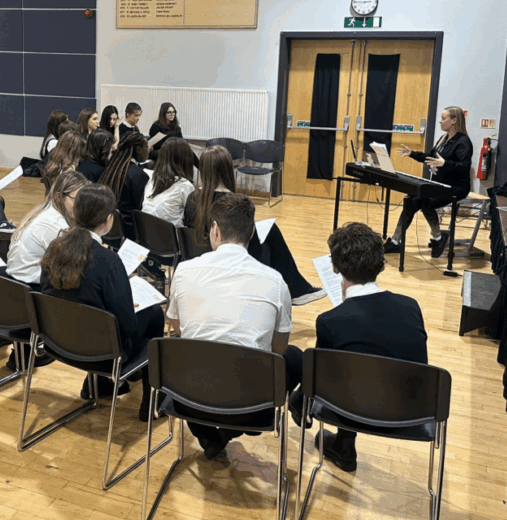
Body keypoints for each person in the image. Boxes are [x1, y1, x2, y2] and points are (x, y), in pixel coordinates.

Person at [167, 193, 302, 460]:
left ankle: (209, 435)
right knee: (295, 358)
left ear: (214, 230)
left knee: (182, 350)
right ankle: (228, 432)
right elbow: (278, 349)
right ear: (251, 233)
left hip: (189, 395)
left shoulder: (183, 270)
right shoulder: (276, 281)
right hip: (249, 404)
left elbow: (178, 328)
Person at [290, 222, 428, 472]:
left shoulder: (330, 321)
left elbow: (321, 381)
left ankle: (335, 436)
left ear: (335, 268)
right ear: (381, 264)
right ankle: (343, 445)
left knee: (329, 369)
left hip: (351, 409)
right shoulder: (411, 307)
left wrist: (300, 398)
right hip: (409, 413)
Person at [41, 184, 165, 416]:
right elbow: (127, 326)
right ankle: (151, 404)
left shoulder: (53, 248)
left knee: (93, 315)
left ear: (75, 213)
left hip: (57, 341)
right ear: (108, 220)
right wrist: (124, 306)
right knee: (155, 314)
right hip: (102, 353)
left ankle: (98, 384)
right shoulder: (108, 261)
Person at [185, 145, 326, 304]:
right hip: (233, 262)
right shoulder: (236, 202)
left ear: (203, 170)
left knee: (268, 232)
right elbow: (248, 243)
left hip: (198, 260)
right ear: (227, 170)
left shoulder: (192, 198)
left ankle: (296, 290)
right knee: (271, 235)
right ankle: (296, 290)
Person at [384, 105, 474, 258]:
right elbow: (430, 157)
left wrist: (445, 163)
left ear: (454, 120)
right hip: (439, 184)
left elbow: (465, 167)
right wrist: (412, 153)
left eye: (443, 118)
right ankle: (396, 241)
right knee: (411, 200)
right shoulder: (444, 139)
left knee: (425, 201)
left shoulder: (463, 141)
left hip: (456, 187)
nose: (440, 121)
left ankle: (436, 238)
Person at [6, 170, 88, 287]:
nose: (82, 206)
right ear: (59, 197)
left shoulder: (48, 210)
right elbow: (73, 263)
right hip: (29, 285)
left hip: (16, 279)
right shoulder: (56, 224)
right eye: (77, 200)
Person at [99, 131, 150, 234]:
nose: (148, 150)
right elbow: (142, 208)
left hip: (108, 226)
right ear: (138, 149)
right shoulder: (139, 175)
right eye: (146, 146)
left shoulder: (111, 168)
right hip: (130, 229)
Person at [142, 137, 195, 227]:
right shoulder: (185, 186)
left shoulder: (152, 179)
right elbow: (192, 220)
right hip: (171, 234)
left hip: (146, 232)